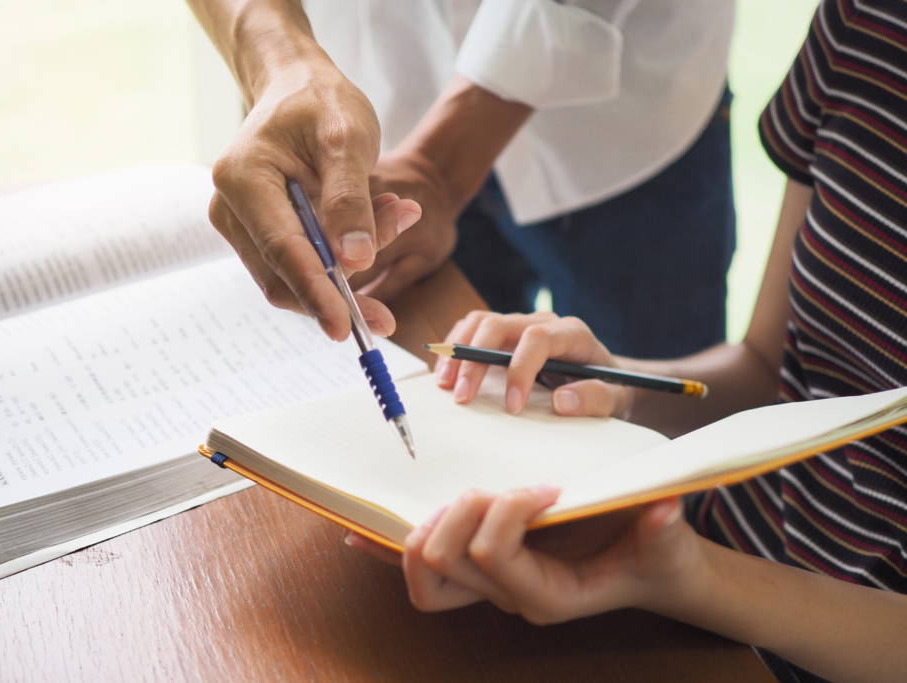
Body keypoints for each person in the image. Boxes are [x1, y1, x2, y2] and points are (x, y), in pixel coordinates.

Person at [346, 2, 907, 681]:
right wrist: (615, 384)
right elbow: (767, 370)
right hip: (695, 577)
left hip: (742, 615)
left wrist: (691, 578)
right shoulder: (867, 25)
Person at [185, 0, 736, 358]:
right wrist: (282, 63)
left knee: (655, 439)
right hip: (382, 113)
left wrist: (440, 169)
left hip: (623, 123)